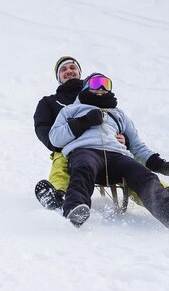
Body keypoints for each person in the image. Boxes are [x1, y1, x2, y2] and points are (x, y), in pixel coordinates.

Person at [48, 73, 169, 230]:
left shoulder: (118, 113)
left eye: (106, 84)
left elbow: (137, 146)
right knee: (83, 168)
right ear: (85, 86)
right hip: (86, 151)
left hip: (117, 156)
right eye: (96, 83)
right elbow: (55, 138)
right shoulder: (71, 110)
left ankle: (168, 211)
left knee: (143, 174)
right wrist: (83, 121)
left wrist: (159, 164)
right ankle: (74, 208)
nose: (101, 87)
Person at [33, 56, 127, 209]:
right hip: (67, 146)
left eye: (72, 68)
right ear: (59, 77)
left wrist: (125, 139)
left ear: (79, 72)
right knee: (61, 164)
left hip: (106, 145)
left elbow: (115, 121)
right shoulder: (49, 102)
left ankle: (166, 195)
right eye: (63, 69)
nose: (68, 71)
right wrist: (57, 144)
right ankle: (57, 195)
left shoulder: (97, 94)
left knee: (133, 166)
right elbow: (41, 126)